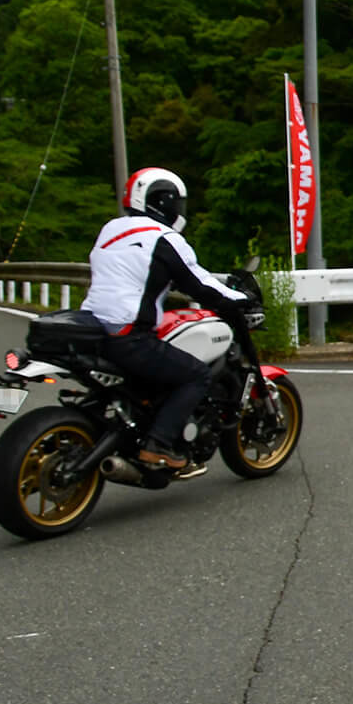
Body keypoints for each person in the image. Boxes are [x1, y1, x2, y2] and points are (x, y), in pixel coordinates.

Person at [82, 167, 253, 481]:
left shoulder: (111, 229)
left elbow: (134, 271)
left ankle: (144, 426)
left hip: (92, 328)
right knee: (196, 375)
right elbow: (199, 285)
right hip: (128, 335)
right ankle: (158, 445)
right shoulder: (163, 238)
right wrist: (242, 299)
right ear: (165, 202)